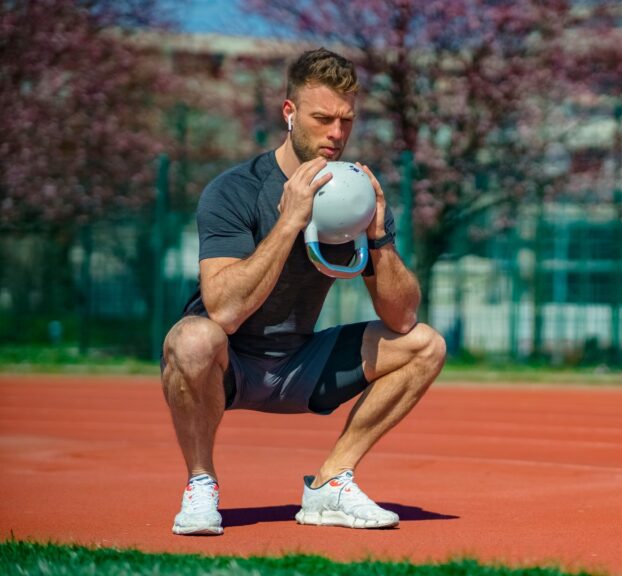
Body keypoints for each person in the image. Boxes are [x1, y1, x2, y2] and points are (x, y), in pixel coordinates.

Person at [161, 48, 446, 535]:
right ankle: (201, 484)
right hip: (229, 360)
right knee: (191, 338)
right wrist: (291, 219)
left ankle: (331, 484)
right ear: (289, 113)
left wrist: (376, 237)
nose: (336, 133)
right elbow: (223, 310)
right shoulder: (234, 190)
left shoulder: (355, 193)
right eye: (322, 118)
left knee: (425, 345)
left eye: (347, 120)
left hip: (299, 362)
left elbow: (402, 317)